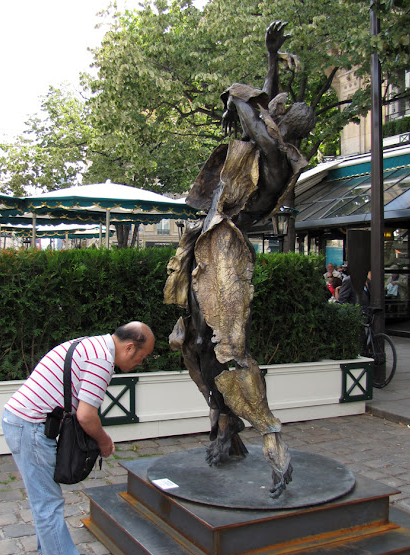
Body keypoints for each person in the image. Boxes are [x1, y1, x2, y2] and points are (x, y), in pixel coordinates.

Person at [165, 21, 315, 500]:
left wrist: (243, 93)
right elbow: (261, 108)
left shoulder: (277, 159)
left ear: (289, 127)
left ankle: (273, 443)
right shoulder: (264, 139)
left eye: (285, 109)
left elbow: (257, 119)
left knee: (229, 350)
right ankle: (225, 430)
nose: (277, 104)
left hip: (227, 251)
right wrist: (270, 59)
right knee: (192, 343)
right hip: (203, 243)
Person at [1, 322, 155, 555]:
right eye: (141, 357)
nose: (140, 362)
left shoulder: (93, 344)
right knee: (47, 503)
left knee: (44, 500)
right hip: (29, 427)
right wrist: (104, 441)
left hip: (26, 424)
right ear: (129, 347)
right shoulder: (101, 360)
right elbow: (85, 416)